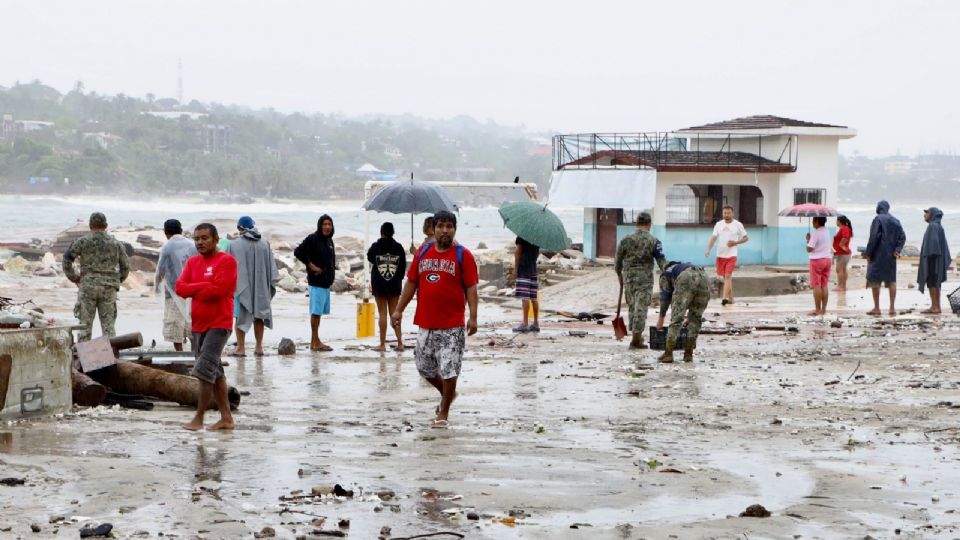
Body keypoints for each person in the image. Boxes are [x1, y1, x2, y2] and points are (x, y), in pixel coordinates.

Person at [392, 210, 479, 428]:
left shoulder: (463, 255)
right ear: (433, 228)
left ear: (454, 230)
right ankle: (448, 394)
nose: (445, 230)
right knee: (424, 367)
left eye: (449, 226)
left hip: (453, 324)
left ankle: (444, 410)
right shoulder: (423, 252)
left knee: (450, 369)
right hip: (426, 322)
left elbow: (471, 288)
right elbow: (412, 282)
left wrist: (473, 317)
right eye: (440, 226)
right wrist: (399, 310)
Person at [175, 223, 237, 431]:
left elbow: (218, 291)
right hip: (198, 325)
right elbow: (180, 289)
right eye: (197, 239)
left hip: (220, 323)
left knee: (203, 369)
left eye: (205, 238)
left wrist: (196, 288)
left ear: (216, 239)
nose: (200, 242)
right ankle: (226, 418)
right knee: (216, 371)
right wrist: (203, 286)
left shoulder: (227, 261)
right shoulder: (193, 263)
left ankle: (199, 417)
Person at [63, 212, 130, 342]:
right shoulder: (116, 243)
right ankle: (111, 357)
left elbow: (67, 260)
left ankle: (84, 359)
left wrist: (75, 278)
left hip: (88, 287)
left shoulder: (81, 242)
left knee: (85, 327)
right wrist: (116, 280)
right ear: (106, 225)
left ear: (90, 226)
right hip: (108, 288)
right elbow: (126, 266)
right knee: (108, 327)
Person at [226, 216, 278, 357]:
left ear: (239, 228)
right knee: (259, 316)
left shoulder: (233, 245)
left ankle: (241, 348)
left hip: (241, 287)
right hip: (261, 286)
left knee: (239, 316)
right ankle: (259, 347)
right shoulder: (264, 244)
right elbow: (272, 269)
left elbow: (226, 267)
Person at [614, 212, 666, 349]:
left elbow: (617, 262)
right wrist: (668, 273)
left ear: (636, 224)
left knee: (632, 306)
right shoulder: (654, 241)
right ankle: (636, 340)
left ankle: (635, 335)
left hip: (629, 279)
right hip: (645, 280)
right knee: (641, 309)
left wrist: (620, 276)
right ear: (649, 224)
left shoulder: (625, 240)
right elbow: (661, 261)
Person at [294, 215, 336, 352]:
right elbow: (298, 251)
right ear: (320, 225)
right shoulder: (313, 238)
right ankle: (315, 340)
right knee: (316, 313)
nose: (327, 227)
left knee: (319, 313)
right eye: (324, 224)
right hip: (316, 282)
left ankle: (314, 342)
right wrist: (311, 266)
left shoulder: (329, 241)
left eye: (329, 224)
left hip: (325, 282)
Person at [656, 261, 710, 363]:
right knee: (696, 318)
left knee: (677, 318)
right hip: (705, 278)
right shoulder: (683, 267)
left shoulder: (666, 273)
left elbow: (665, 298)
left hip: (687, 278)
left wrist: (661, 318)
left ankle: (668, 354)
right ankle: (688, 354)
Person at [155, 219, 196, 351]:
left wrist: (156, 285)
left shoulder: (167, 247)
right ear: (181, 230)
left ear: (166, 232)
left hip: (174, 292)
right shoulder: (192, 245)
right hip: (193, 290)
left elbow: (160, 269)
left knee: (175, 325)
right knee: (191, 323)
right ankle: (196, 353)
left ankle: (180, 354)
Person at [367, 222, 407, 352]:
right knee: (395, 313)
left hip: (379, 282)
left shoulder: (376, 246)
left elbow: (370, 258)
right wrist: (399, 279)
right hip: (394, 283)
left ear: (381, 232)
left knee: (382, 313)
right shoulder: (399, 247)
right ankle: (400, 343)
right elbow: (402, 266)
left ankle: (382, 344)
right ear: (393, 232)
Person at [864, 200, 906, 316]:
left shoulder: (878, 219)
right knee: (891, 281)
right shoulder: (896, 221)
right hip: (891, 256)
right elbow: (902, 237)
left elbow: (874, 237)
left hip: (877, 255)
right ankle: (892, 308)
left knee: (875, 281)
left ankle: (877, 308)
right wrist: (897, 250)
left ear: (878, 208)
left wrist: (868, 253)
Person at [705, 205, 748, 305]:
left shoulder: (738, 224)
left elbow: (746, 238)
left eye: (729, 213)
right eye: (725, 213)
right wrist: (708, 249)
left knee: (728, 275)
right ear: (723, 213)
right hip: (720, 254)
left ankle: (724, 298)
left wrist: (735, 243)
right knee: (725, 278)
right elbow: (714, 238)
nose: (727, 215)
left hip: (732, 254)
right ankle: (731, 298)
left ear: (732, 213)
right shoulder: (718, 224)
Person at [917, 207, 951, 314]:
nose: (924, 215)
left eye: (927, 213)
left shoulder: (932, 226)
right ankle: (937, 306)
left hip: (932, 258)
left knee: (931, 282)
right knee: (936, 283)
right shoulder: (939, 226)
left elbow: (934, 243)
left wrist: (930, 256)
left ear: (932, 214)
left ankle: (934, 307)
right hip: (938, 259)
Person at [513, 235, 541, 333]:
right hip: (533, 269)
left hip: (524, 269)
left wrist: (516, 269)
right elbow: (537, 254)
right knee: (534, 298)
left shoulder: (522, 236)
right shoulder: (537, 237)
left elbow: (518, 252)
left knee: (525, 297)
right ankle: (536, 323)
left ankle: (525, 323)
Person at [806, 217, 833, 316]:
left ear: (817, 221)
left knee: (816, 285)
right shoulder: (827, 231)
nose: (813, 223)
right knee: (824, 284)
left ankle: (817, 309)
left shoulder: (816, 233)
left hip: (817, 260)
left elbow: (809, 249)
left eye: (813, 221)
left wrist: (808, 241)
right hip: (827, 259)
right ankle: (824, 310)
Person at [832, 215, 853, 291]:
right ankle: (843, 286)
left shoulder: (844, 228)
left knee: (839, 269)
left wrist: (841, 245)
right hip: (842, 253)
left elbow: (845, 237)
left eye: (837, 220)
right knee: (843, 269)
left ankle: (841, 286)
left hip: (842, 253)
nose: (836, 222)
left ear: (840, 221)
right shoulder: (844, 228)